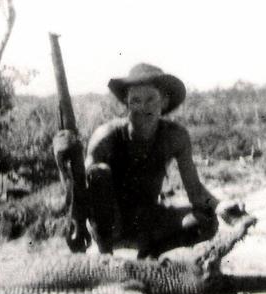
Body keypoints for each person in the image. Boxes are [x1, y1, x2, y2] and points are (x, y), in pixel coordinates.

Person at [53, 63, 246, 257]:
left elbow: (195, 190)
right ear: (127, 103)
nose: (143, 107)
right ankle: (106, 257)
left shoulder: (175, 137)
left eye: (150, 99)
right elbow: (79, 191)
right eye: (136, 100)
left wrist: (220, 205)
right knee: (98, 172)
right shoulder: (106, 137)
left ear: (164, 101)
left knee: (206, 220)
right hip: (112, 225)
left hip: (148, 219)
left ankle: (150, 255)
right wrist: (63, 165)